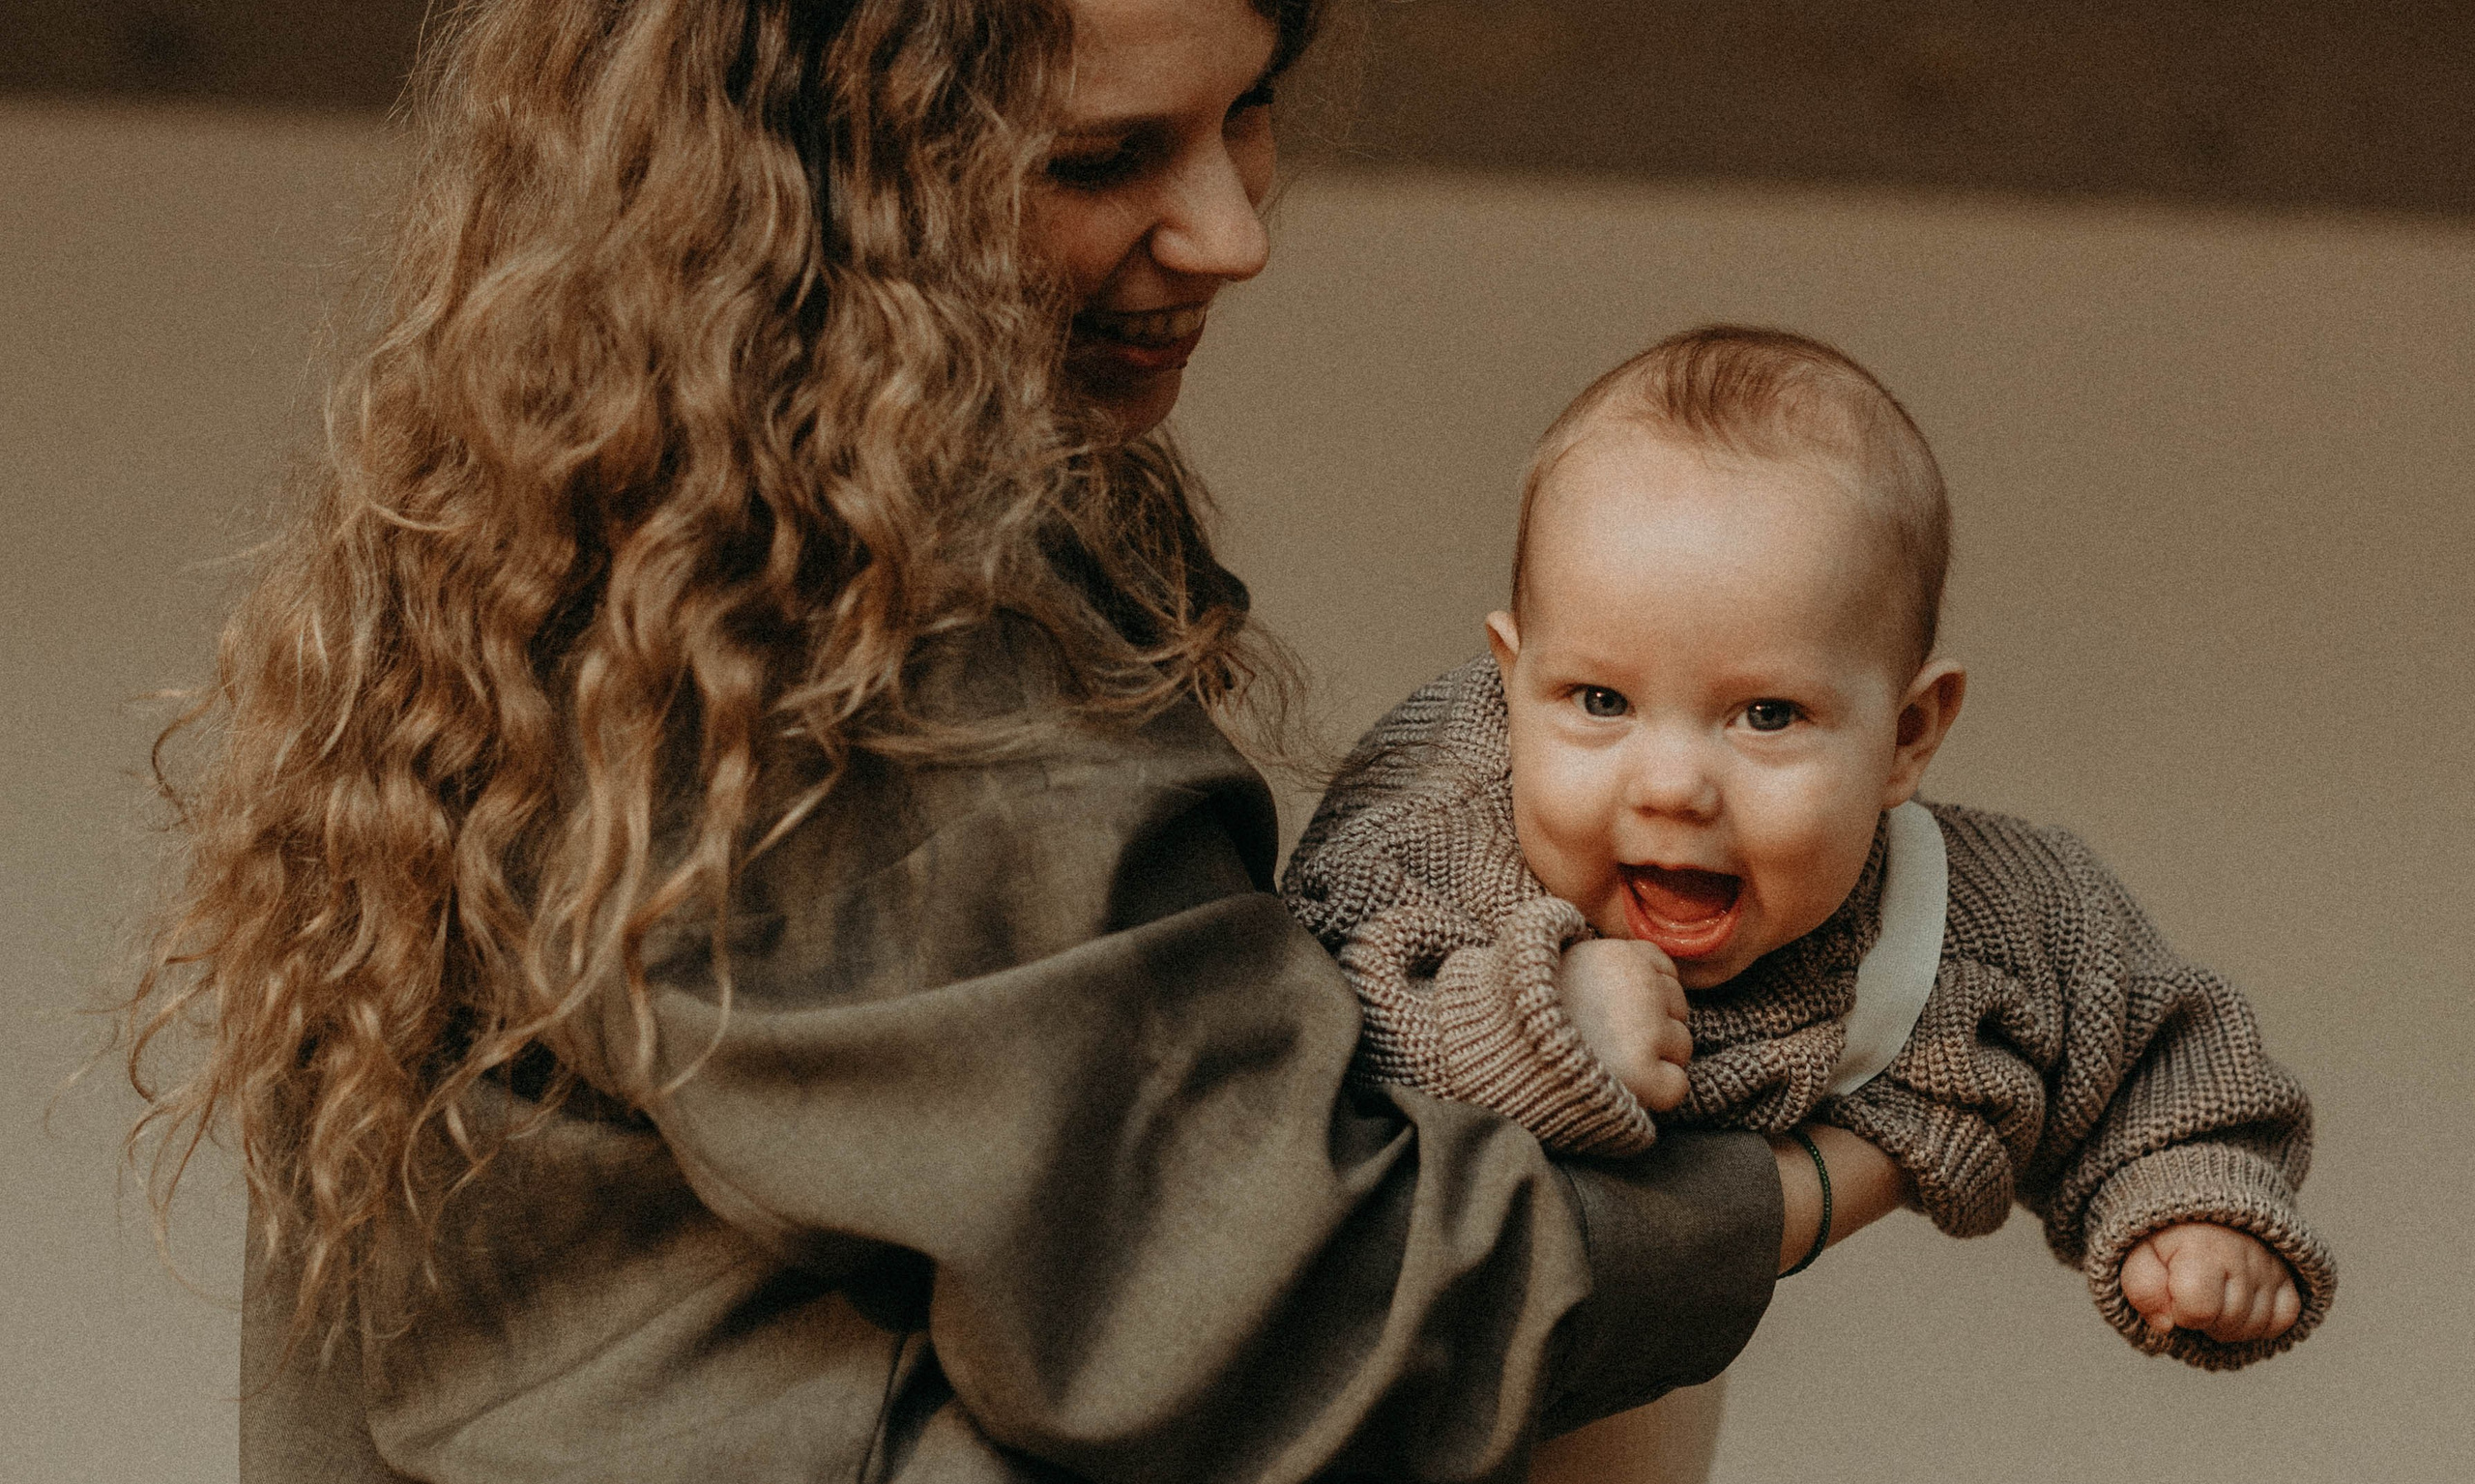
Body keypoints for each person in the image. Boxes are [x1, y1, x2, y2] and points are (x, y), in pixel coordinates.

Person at [114, 5, 1915, 1481]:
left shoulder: (566, 535)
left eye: (1251, 113)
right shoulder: (843, 621)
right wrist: (1831, 1173)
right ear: (820, 187)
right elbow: (1263, 1310)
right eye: (1103, 157)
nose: (1234, 233)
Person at [1282, 328, 2338, 1405]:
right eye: (1599, 700)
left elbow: (2147, 1048)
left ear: (1908, 733)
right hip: (1367, 1389)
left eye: (1767, 714)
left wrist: (2191, 1197)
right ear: (1513, 676)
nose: (1673, 785)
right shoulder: (1437, 818)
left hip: (1639, 1367)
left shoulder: (1973, 911)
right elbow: (1314, 1003)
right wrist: (1538, 1019)